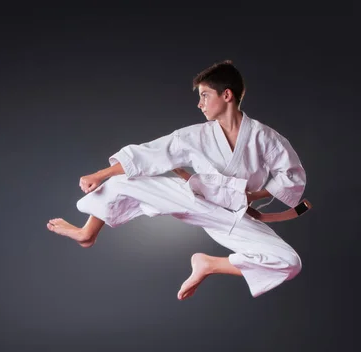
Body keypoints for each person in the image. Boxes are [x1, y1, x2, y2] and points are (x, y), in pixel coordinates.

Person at [46, 60, 307, 300]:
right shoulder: (194, 136)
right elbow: (148, 155)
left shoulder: (264, 137)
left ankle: (208, 264)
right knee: (125, 182)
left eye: (205, 95)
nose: (199, 104)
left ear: (226, 95)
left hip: (235, 216)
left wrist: (254, 196)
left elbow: (292, 175)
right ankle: (87, 233)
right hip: (195, 199)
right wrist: (99, 174)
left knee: (289, 262)